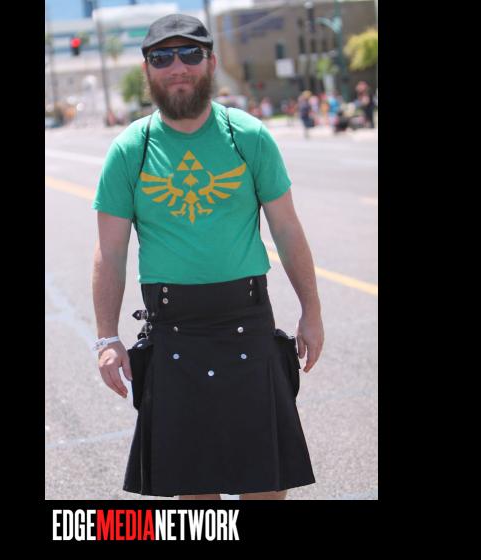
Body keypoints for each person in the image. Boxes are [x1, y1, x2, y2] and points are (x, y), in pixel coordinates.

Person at [91, 14, 324, 500]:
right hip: (174, 331)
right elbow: (110, 252)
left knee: (266, 486)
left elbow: (286, 228)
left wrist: (312, 311)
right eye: (162, 57)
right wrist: (107, 337)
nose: (177, 66)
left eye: (190, 54)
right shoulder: (131, 148)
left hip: (248, 323)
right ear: (147, 70)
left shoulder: (249, 136)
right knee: (196, 498)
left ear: (211, 63)